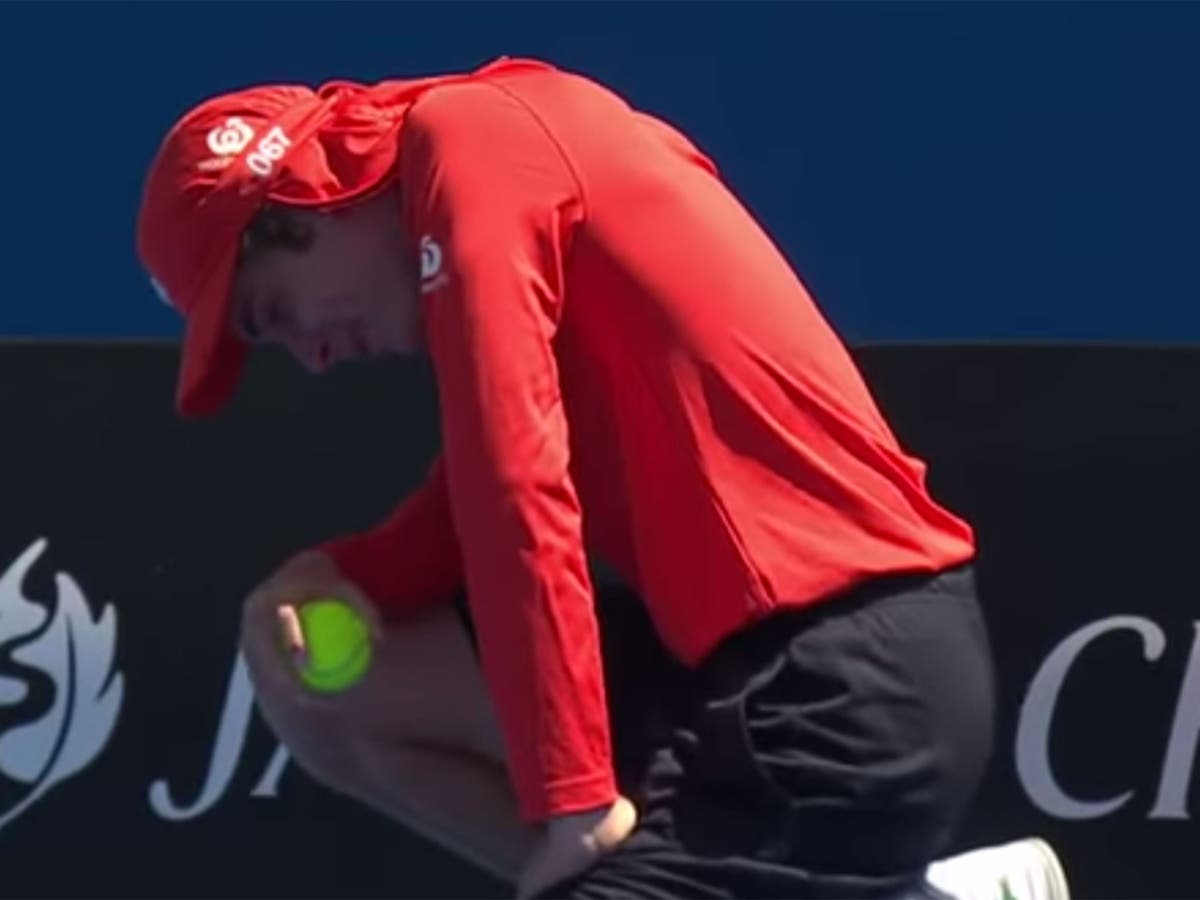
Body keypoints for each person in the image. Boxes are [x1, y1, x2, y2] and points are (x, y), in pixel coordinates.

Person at [136, 56, 1069, 899]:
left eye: (274, 314)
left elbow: (518, 485)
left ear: (302, 204)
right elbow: (486, 492)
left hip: (848, 693)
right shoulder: (502, 145)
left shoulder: (474, 144)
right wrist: (345, 580)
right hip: (747, 683)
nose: (310, 356)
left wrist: (573, 797)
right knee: (326, 688)